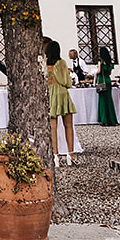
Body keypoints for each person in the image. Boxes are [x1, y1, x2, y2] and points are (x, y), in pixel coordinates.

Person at [46, 37, 78, 165]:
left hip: (50, 94)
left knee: (53, 127)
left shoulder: (44, 63)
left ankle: (55, 155)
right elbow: (66, 82)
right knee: (68, 125)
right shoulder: (61, 63)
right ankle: (70, 154)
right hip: (62, 94)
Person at [95, 47, 118, 126]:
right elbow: (110, 73)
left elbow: (98, 71)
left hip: (102, 80)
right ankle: (111, 119)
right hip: (108, 80)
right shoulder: (109, 63)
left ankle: (104, 119)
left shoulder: (100, 61)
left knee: (102, 101)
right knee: (109, 100)